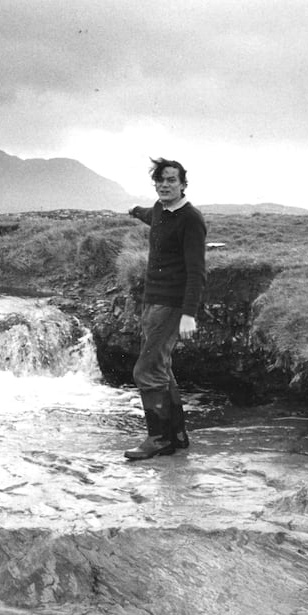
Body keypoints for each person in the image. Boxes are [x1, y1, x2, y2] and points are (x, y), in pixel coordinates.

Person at [124, 158, 207, 460]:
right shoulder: (160, 210)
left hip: (171, 305)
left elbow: (197, 271)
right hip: (152, 302)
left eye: (171, 180)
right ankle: (177, 435)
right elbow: (152, 216)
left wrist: (188, 314)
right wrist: (135, 211)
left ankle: (158, 439)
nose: (165, 184)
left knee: (145, 369)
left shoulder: (191, 219)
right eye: (160, 180)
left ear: (183, 184)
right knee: (161, 367)